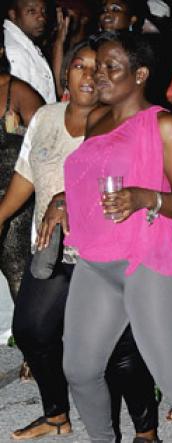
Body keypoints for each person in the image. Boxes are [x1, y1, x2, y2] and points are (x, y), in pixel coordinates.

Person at [62, 30, 172, 443]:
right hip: (98, 258)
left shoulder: (166, 125)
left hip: (151, 252)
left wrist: (144, 197)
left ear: (140, 74)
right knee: (79, 370)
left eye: (110, 67)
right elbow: (89, 177)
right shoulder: (96, 119)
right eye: (97, 67)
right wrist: (61, 201)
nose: (99, 75)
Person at [0, 40, 159, 442]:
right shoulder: (46, 118)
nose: (89, 75)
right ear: (66, 74)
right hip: (53, 248)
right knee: (32, 330)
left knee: (120, 354)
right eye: (80, 67)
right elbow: (26, 175)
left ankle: (146, 430)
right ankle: (56, 413)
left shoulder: (117, 122)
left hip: (103, 255)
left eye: (98, 68)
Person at [0, 24, 43, 348]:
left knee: (18, 271)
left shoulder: (19, 92)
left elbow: (48, 144)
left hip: (14, 195)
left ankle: (33, 347)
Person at [4, 0, 56, 103]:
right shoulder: (15, 51)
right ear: (13, 15)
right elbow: (18, 104)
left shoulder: (25, 44)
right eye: (32, 11)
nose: (42, 17)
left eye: (43, 11)